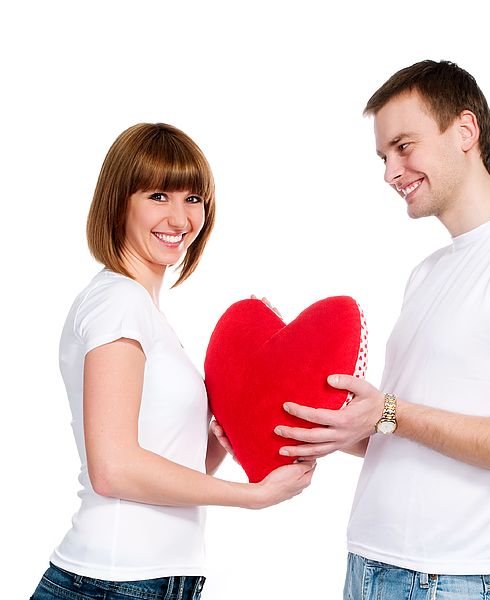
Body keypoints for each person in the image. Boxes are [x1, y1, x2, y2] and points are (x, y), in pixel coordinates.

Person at [274, 60, 490, 599]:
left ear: (465, 131)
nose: (390, 172)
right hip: (370, 569)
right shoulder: (428, 273)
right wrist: (340, 430)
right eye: (383, 156)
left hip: (453, 579)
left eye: (403, 146)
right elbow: (405, 433)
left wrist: (391, 413)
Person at [30, 123, 315, 600]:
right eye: (159, 195)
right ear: (119, 201)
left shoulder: (142, 310)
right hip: (113, 581)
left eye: (193, 198)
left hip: (154, 579)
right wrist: (253, 497)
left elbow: (164, 466)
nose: (181, 218)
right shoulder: (118, 303)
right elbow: (114, 469)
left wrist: (218, 443)